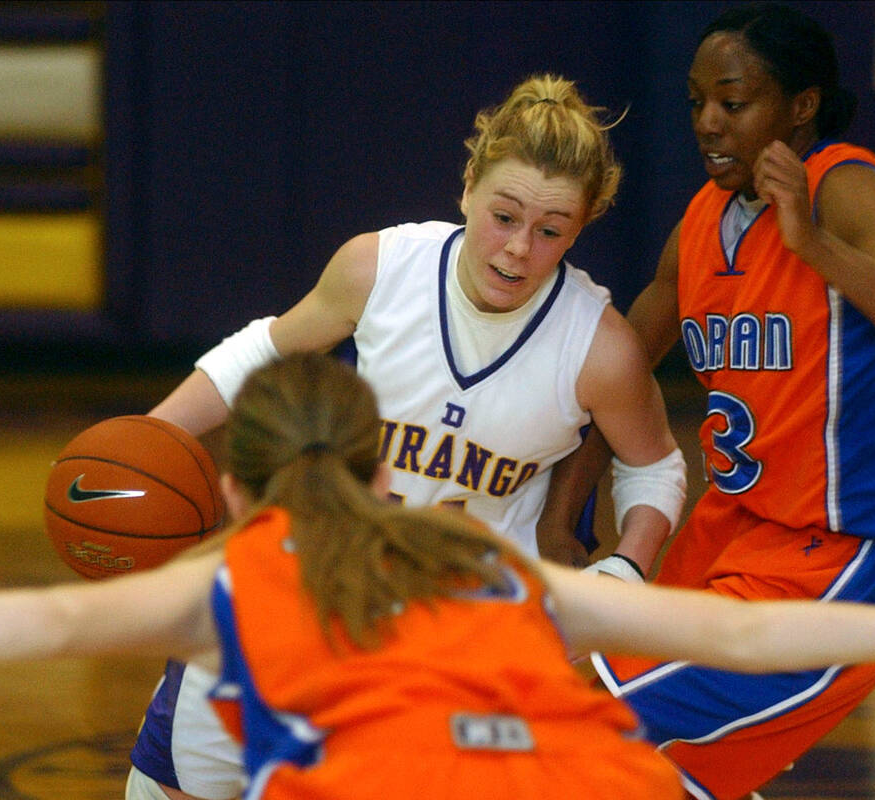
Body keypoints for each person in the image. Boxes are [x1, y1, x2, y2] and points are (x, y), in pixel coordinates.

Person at [0, 353, 875, 800]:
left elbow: (41, 618)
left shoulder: (221, 589)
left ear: (232, 492)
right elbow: (731, 634)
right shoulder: (483, 552)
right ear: (387, 465)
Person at [127, 75, 688, 800]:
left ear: (579, 230)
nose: (518, 248)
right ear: (468, 188)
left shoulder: (597, 348)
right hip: (309, 580)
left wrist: (627, 570)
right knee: (163, 788)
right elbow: (262, 353)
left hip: (457, 633)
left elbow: (655, 468)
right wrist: (146, 437)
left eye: (550, 230)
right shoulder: (380, 267)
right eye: (504, 215)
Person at [538, 4, 875, 798]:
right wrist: (562, 510)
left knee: (572, 709)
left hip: (861, 543)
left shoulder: (845, 188)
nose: (709, 123)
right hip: (741, 528)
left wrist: (813, 247)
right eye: (696, 104)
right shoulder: (702, 222)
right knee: (641, 770)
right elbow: (621, 366)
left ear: (801, 106)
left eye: (733, 103)